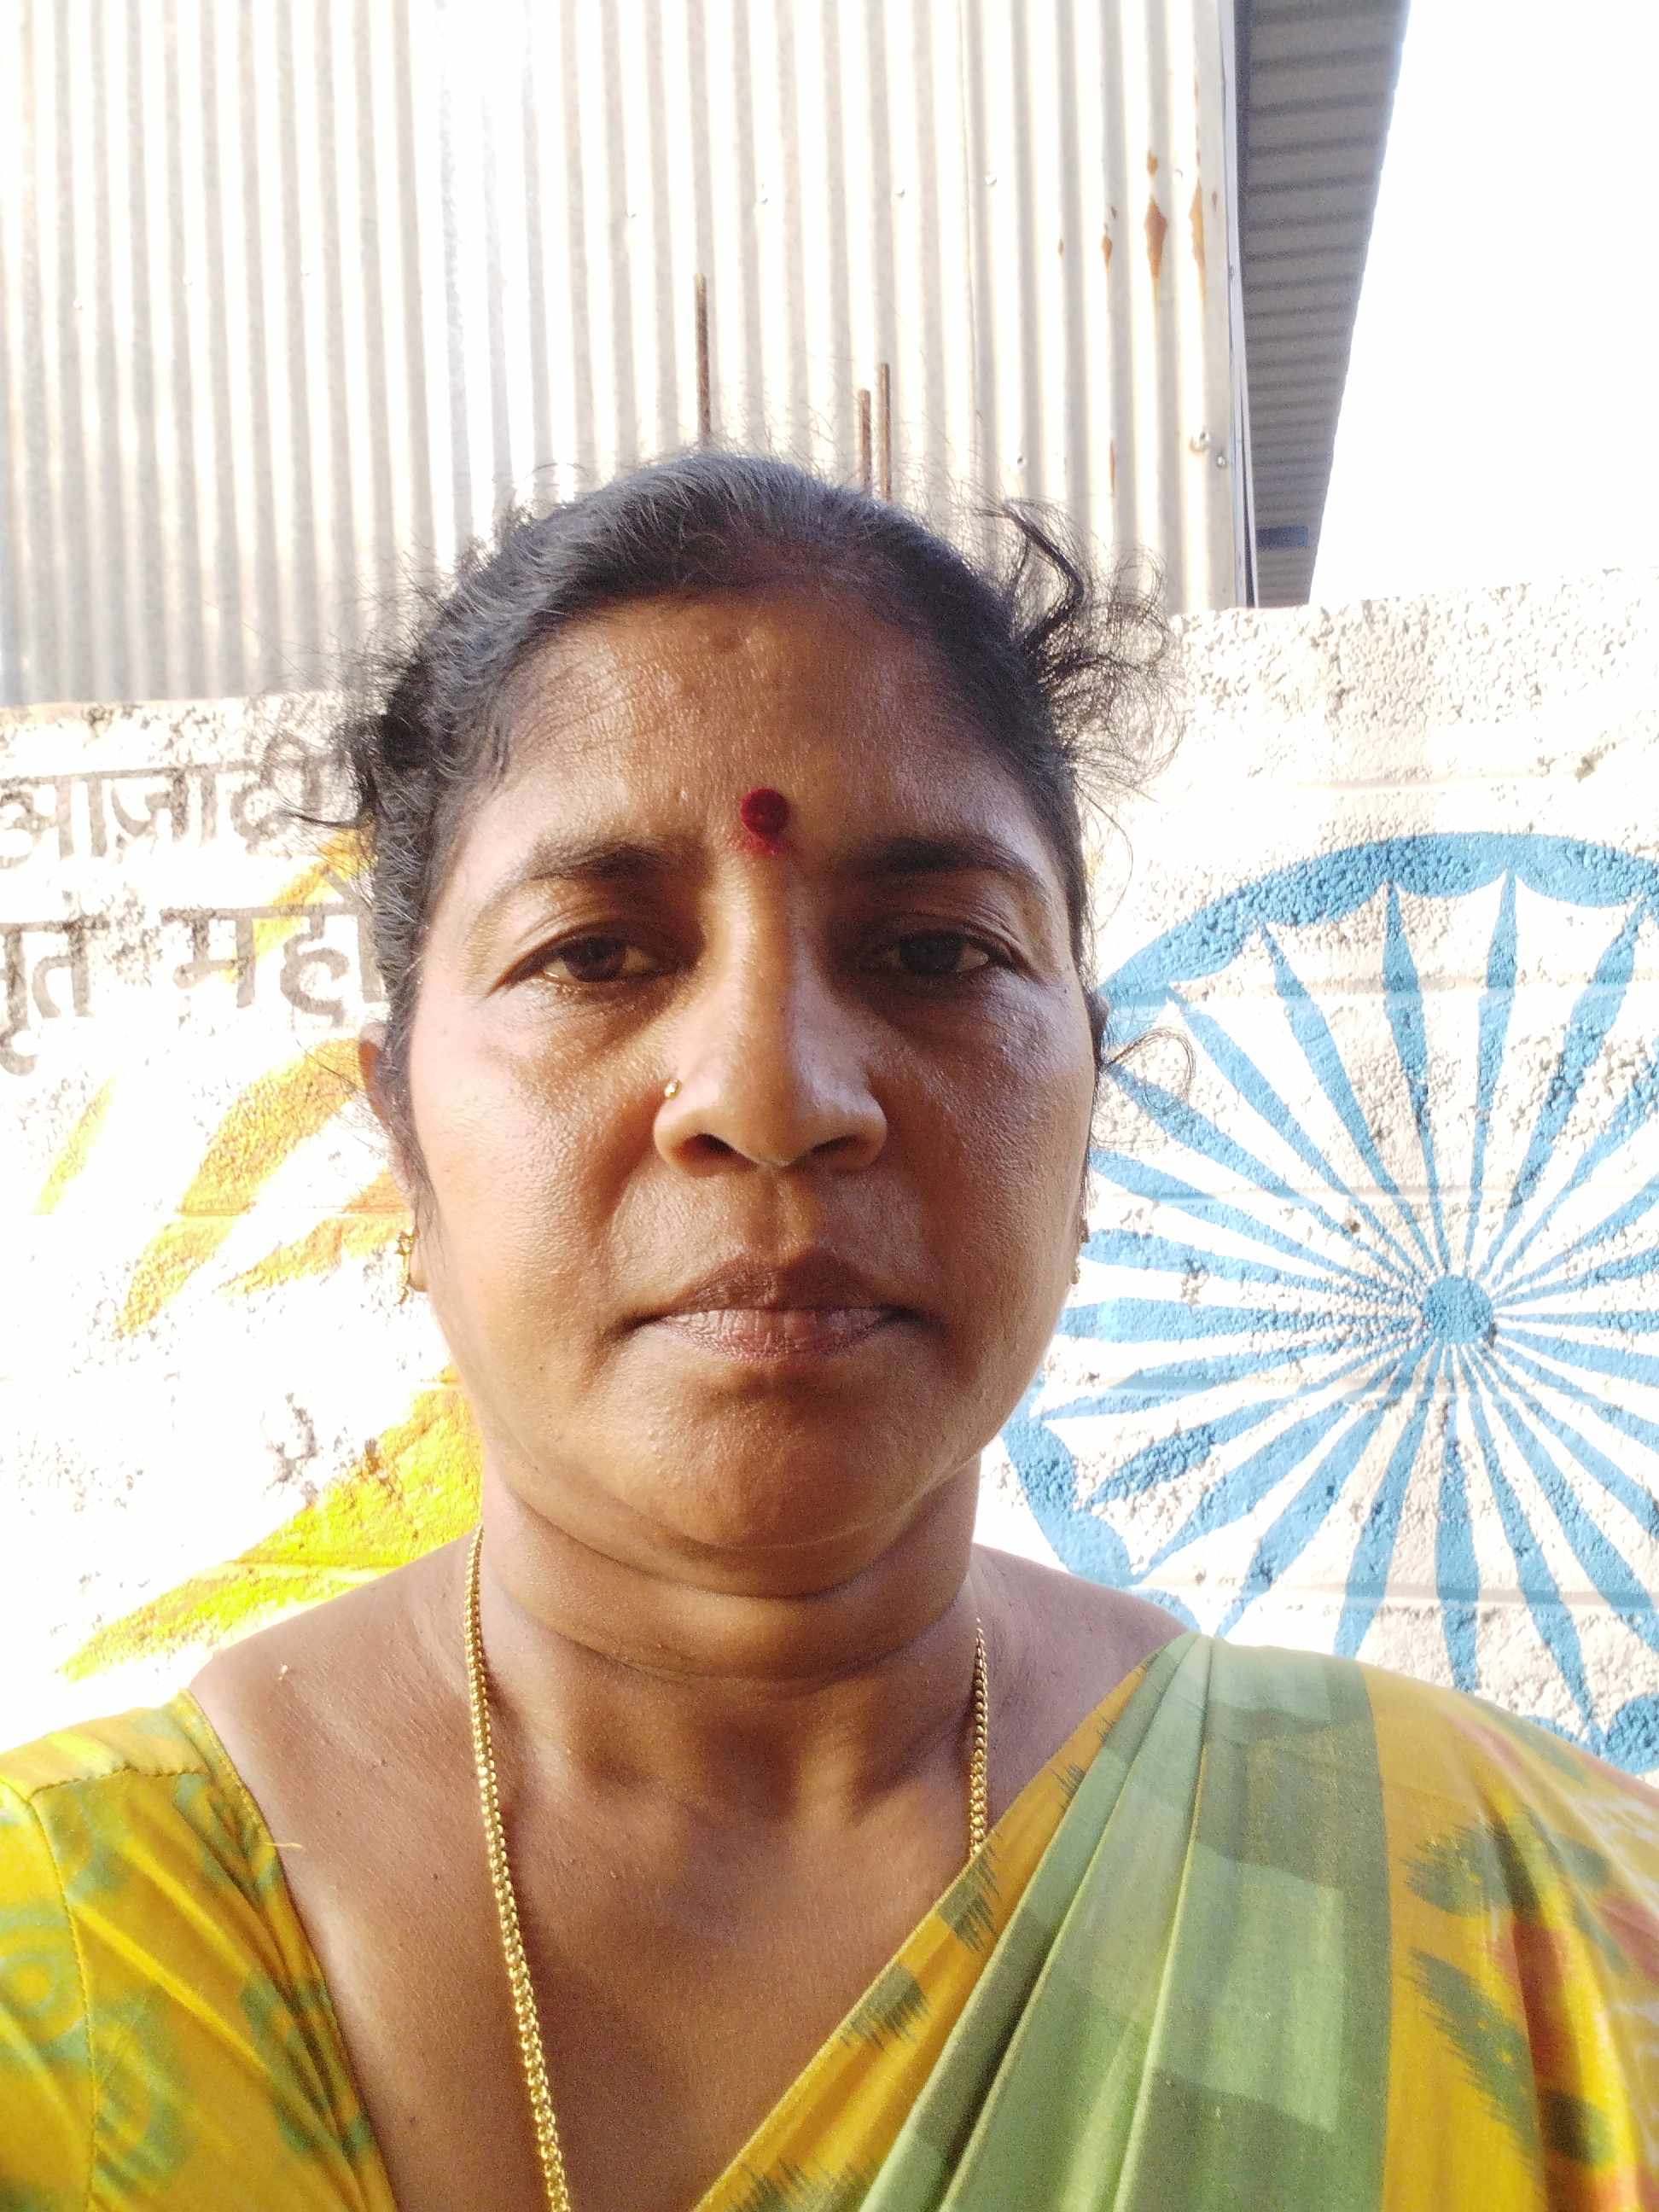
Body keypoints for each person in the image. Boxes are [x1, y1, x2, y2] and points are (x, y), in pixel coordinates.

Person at [2, 453, 1655, 2211]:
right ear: (399, 1132)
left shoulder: (1536, 1939)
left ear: (1089, 1104)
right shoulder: (67, 1988)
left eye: (935, 952)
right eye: (596, 955)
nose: (773, 1095)